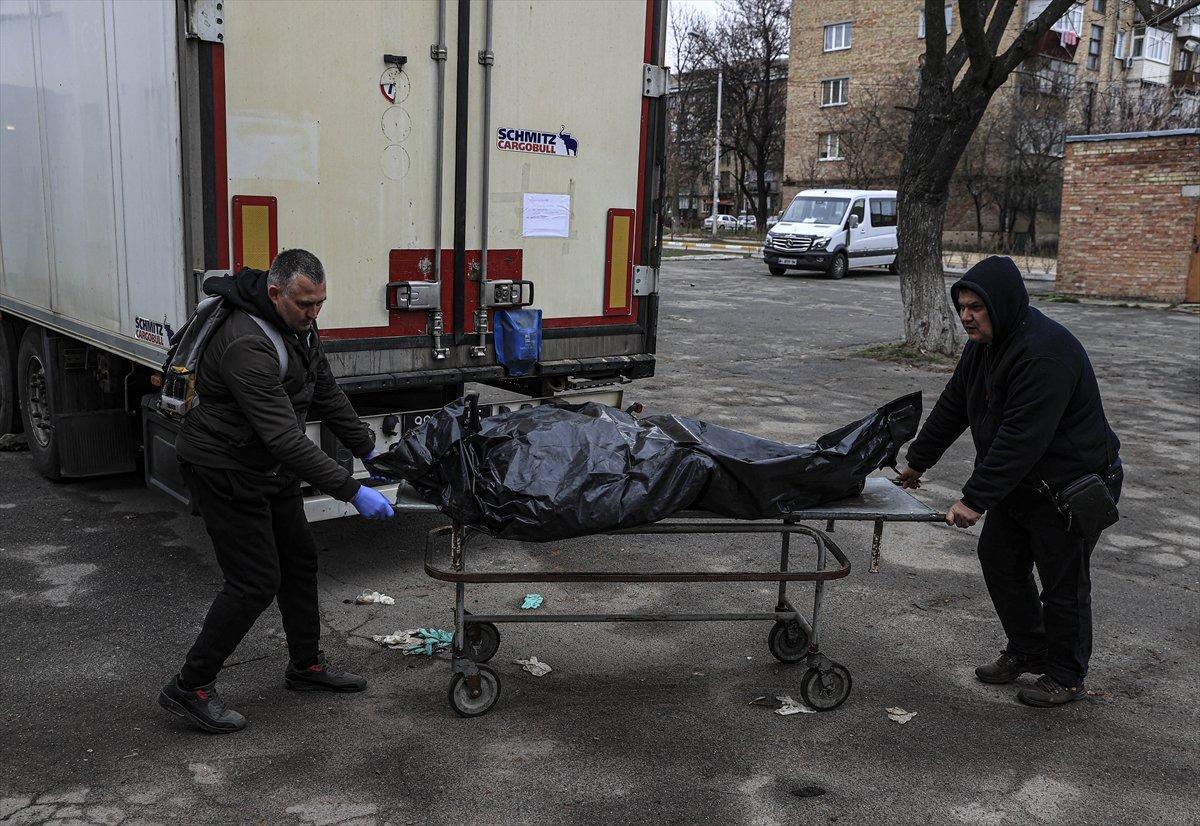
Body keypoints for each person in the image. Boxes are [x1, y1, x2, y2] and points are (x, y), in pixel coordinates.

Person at [157, 249, 396, 734]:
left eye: (320, 303)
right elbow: (285, 438)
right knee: (254, 581)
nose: (314, 313)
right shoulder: (246, 342)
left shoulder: (299, 326)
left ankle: (306, 666)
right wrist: (352, 491)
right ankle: (190, 687)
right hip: (224, 466)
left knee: (299, 559)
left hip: (266, 463)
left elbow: (325, 392)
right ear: (275, 293)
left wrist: (369, 449)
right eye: (305, 304)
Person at [895, 256, 1122, 708]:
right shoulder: (983, 347)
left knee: (1063, 582)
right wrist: (918, 461)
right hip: (1023, 483)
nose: (966, 317)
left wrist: (974, 499)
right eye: (961, 307)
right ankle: (1029, 648)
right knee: (999, 558)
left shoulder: (1044, 354)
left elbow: (1022, 437)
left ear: (1002, 303)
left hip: (1071, 485)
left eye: (976, 307)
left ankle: (1066, 676)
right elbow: (954, 404)